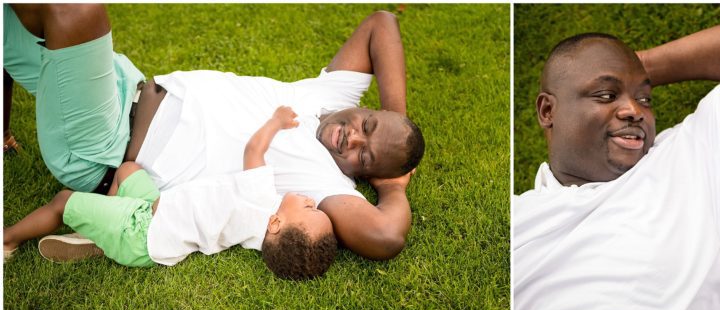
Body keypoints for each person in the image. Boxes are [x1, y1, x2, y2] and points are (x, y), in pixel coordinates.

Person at [4, 5, 425, 261]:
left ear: (363, 173)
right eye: (366, 127)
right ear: (367, 106)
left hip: (105, 147)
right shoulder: (330, 95)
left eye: (364, 156)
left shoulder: (325, 182)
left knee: (75, 11)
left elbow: (385, 236)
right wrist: (396, 122)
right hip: (123, 86)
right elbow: (381, 23)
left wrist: (393, 187)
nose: (351, 139)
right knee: (10, 22)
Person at [513, 20, 720, 310]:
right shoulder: (516, 219)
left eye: (645, 98)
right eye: (605, 94)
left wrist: (633, 67)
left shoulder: (689, 158)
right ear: (548, 111)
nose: (633, 110)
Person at [3, 106, 338, 281]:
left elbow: (254, 150)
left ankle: (8, 240)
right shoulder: (258, 238)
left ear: (276, 223)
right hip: (153, 209)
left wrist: (276, 121)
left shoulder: (262, 199)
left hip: (141, 233)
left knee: (63, 201)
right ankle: (100, 235)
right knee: (128, 171)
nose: (311, 199)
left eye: (310, 209)